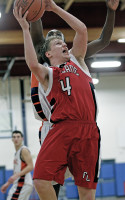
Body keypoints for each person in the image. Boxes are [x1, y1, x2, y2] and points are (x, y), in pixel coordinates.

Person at [12, 0, 117, 199]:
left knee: (84, 186)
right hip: (52, 124)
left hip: (82, 124)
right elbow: (35, 21)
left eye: (61, 38)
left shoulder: (76, 57)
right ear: (46, 48)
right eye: (53, 39)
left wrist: (110, 12)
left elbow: (100, 39)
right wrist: (38, 8)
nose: (59, 40)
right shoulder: (43, 60)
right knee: (50, 181)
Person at [1, 130, 33, 200]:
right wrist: (8, 184)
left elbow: (31, 166)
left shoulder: (24, 150)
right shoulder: (16, 153)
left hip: (23, 184)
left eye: (18, 137)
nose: (16, 139)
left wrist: (16, 175)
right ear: (12, 139)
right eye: (14, 137)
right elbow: (15, 174)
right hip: (19, 184)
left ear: (22, 138)